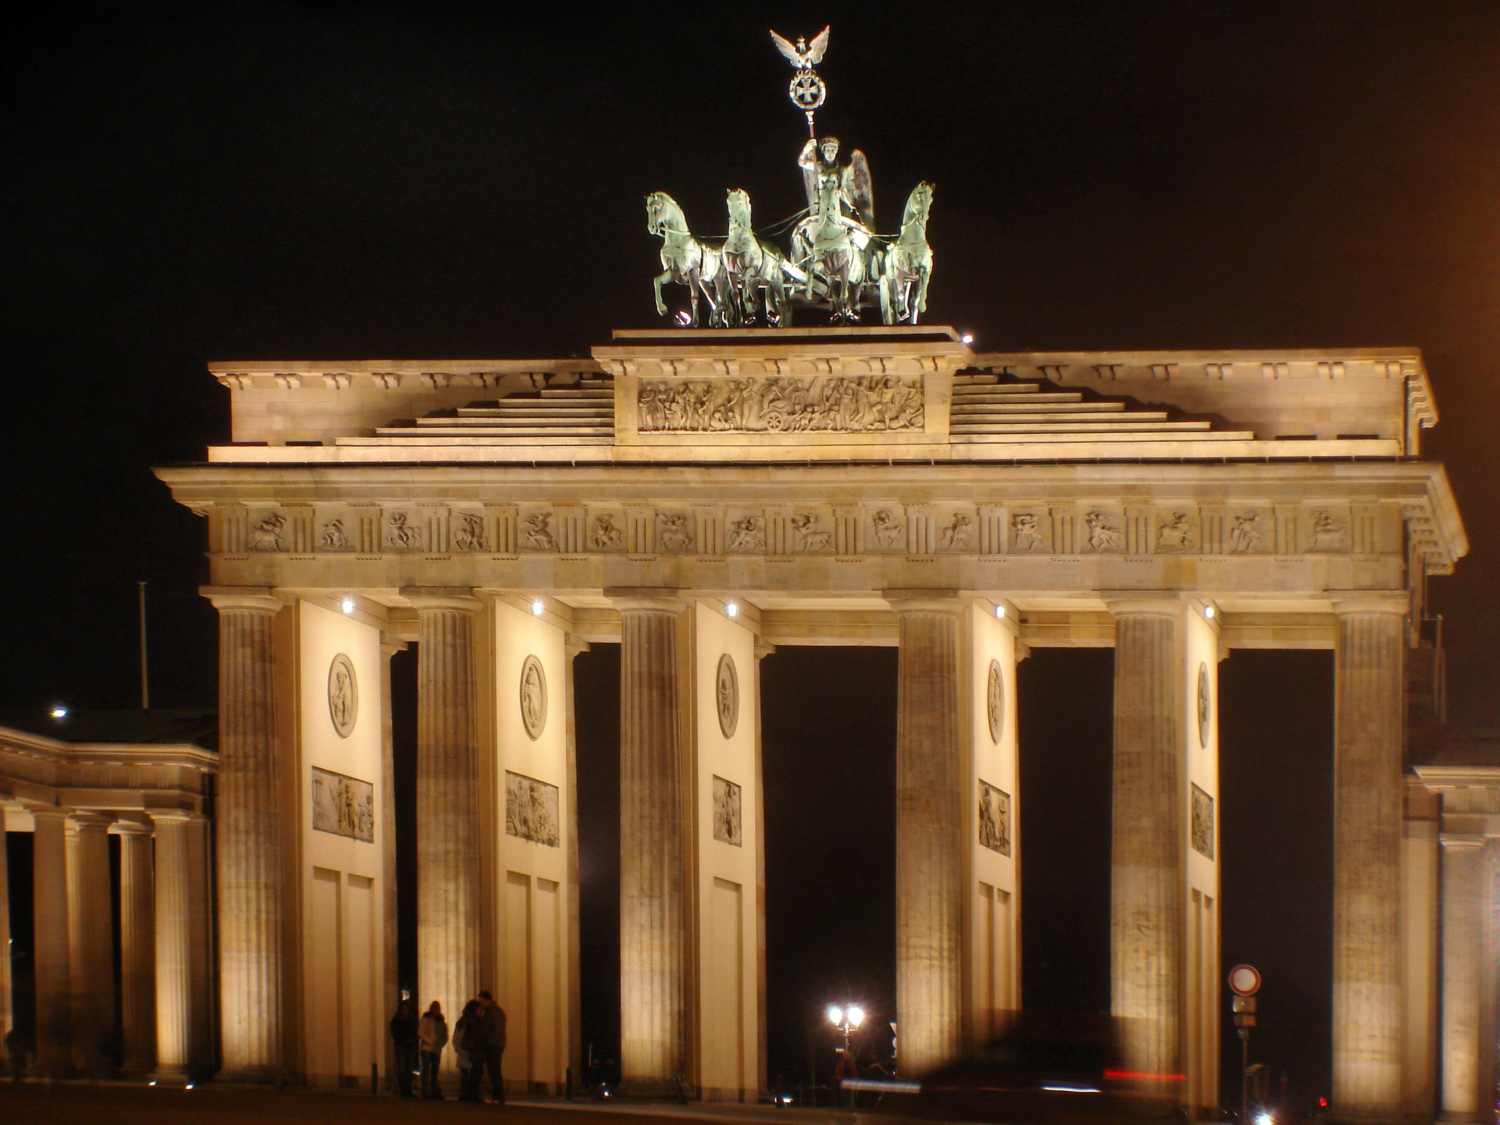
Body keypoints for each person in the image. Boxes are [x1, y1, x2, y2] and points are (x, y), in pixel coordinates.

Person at [477, 990, 507, 1104]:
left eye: (481, 1002)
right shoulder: (494, 1011)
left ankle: (498, 1096)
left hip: (494, 1046)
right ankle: (497, 1095)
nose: (480, 1004)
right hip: (495, 1045)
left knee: (494, 1072)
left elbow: (494, 1030)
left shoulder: (493, 1013)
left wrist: (488, 1043)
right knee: (493, 1072)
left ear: (487, 1000)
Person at [417, 1000, 448, 1100]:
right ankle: (426, 1092)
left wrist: (441, 1043)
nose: (435, 1011)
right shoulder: (426, 1020)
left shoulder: (441, 1022)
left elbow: (444, 1035)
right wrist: (429, 1041)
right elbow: (420, 1032)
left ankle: (434, 1092)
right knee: (426, 1070)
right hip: (426, 1048)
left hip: (436, 1049)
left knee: (434, 1071)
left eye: (437, 1009)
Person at [453, 1000, 483, 1103]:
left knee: (464, 1075)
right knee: (472, 1075)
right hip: (470, 1050)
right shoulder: (473, 1021)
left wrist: (457, 1048)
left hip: (463, 1051)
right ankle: (470, 1095)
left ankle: (463, 1095)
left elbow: (456, 1037)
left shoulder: (461, 1022)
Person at [389, 999, 418, 1098]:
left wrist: (413, 1040)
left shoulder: (411, 1020)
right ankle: (402, 1090)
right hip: (401, 1046)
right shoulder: (396, 1021)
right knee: (402, 1069)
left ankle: (408, 1089)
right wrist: (405, 1039)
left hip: (410, 1047)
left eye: (407, 1008)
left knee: (409, 1069)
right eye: (404, 1008)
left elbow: (415, 1032)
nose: (406, 1010)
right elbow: (395, 1033)